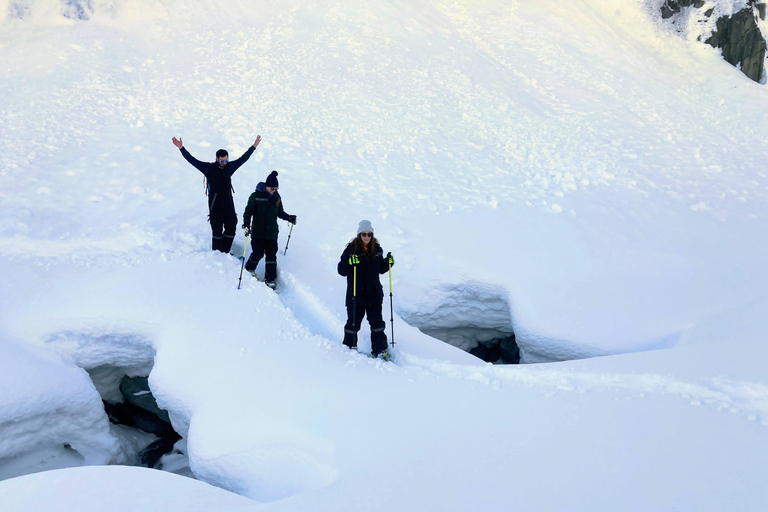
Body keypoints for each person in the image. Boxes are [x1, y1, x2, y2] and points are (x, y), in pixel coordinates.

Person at [172, 135, 261, 253]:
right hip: (215, 205)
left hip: (228, 203)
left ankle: (226, 251)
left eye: (226, 160)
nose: (224, 162)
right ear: (217, 158)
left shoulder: (229, 167)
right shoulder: (209, 168)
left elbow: (242, 159)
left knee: (232, 225)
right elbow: (192, 160)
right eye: (222, 160)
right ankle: (217, 254)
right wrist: (181, 148)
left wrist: (253, 146)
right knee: (217, 230)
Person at [337, 220, 395, 358]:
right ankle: (349, 347)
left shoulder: (377, 249)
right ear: (359, 234)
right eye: (364, 234)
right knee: (353, 323)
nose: (367, 237)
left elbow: (380, 269)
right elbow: (341, 270)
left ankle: (380, 350)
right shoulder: (351, 250)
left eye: (369, 234)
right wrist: (349, 263)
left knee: (377, 323)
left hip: (374, 293)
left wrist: (388, 264)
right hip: (356, 294)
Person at [242, 170, 296, 289]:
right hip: (258, 232)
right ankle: (249, 269)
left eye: (276, 188)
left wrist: (289, 218)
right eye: (272, 188)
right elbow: (248, 211)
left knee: (272, 255)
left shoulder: (277, 197)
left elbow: (280, 212)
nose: (274, 190)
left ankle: (270, 279)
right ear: (266, 186)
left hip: (272, 233)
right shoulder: (255, 196)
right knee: (258, 252)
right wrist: (246, 225)